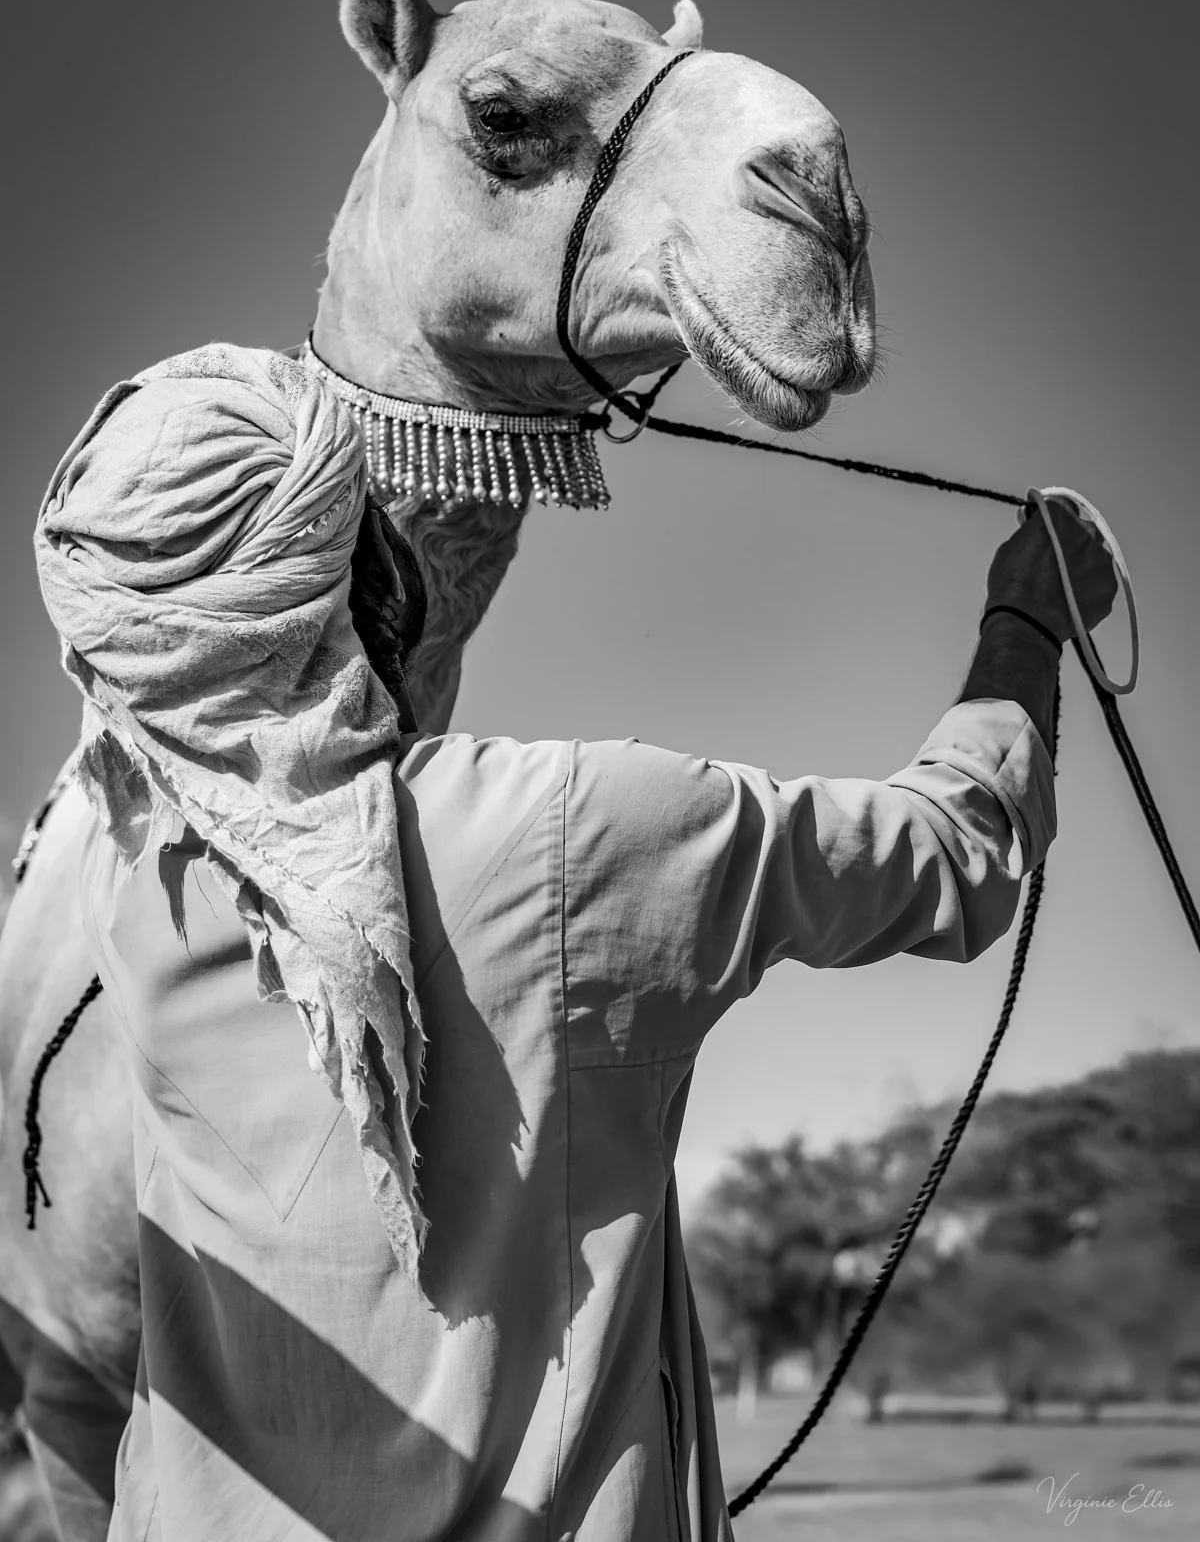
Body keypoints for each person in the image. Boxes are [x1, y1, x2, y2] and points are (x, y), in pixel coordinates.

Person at [36, 344, 1115, 1542]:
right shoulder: (579, 835)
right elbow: (956, 853)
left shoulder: (138, 895)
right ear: (356, 569)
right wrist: (1027, 613)